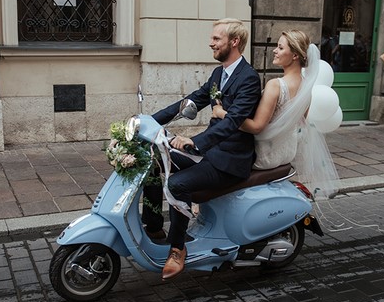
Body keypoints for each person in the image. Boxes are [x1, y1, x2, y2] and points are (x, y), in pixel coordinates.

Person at [142, 18, 261, 281]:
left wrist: (196, 142)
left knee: (177, 185)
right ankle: (153, 227)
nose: (211, 43)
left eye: (216, 39)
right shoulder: (219, 74)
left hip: (229, 159)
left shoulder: (249, 78)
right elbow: (192, 100)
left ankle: (177, 248)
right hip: (210, 151)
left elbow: (233, 122)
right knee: (152, 161)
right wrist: (148, 121)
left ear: (234, 42)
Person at [212, 30, 339, 199]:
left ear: (294, 55)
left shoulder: (276, 85)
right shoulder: (306, 89)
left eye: (280, 47)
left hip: (264, 156)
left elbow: (257, 127)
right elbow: (301, 122)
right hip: (287, 154)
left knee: (211, 158)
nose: (275, 50)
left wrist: (221, 113)